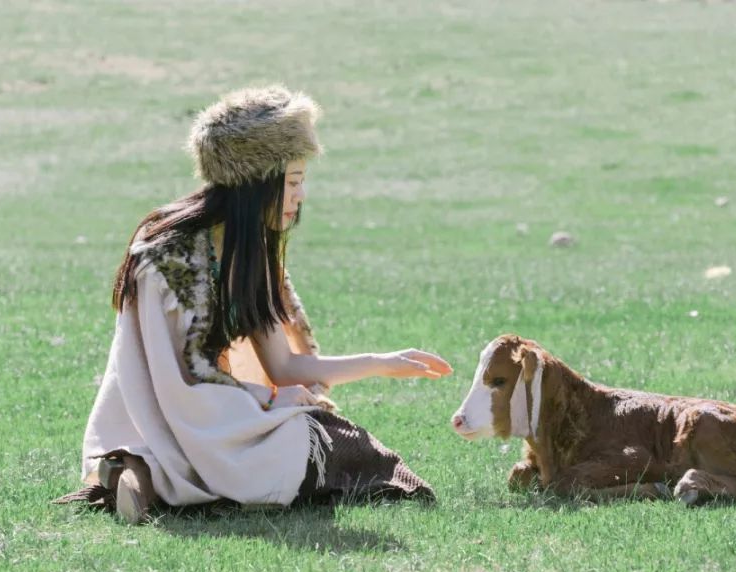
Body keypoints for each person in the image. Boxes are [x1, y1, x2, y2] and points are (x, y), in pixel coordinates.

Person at [55, 85, 452, 523]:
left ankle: (143, 474)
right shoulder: (169, 253)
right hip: (177, 418)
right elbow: (181, 382)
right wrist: (265, 399)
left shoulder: (250, 251)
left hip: (203, 418)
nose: (301, 195)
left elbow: (283, 365)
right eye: (293, 182)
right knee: (334, 443)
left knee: (318, 434)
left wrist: (382, 363)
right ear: (257, 183)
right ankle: (157, 471)